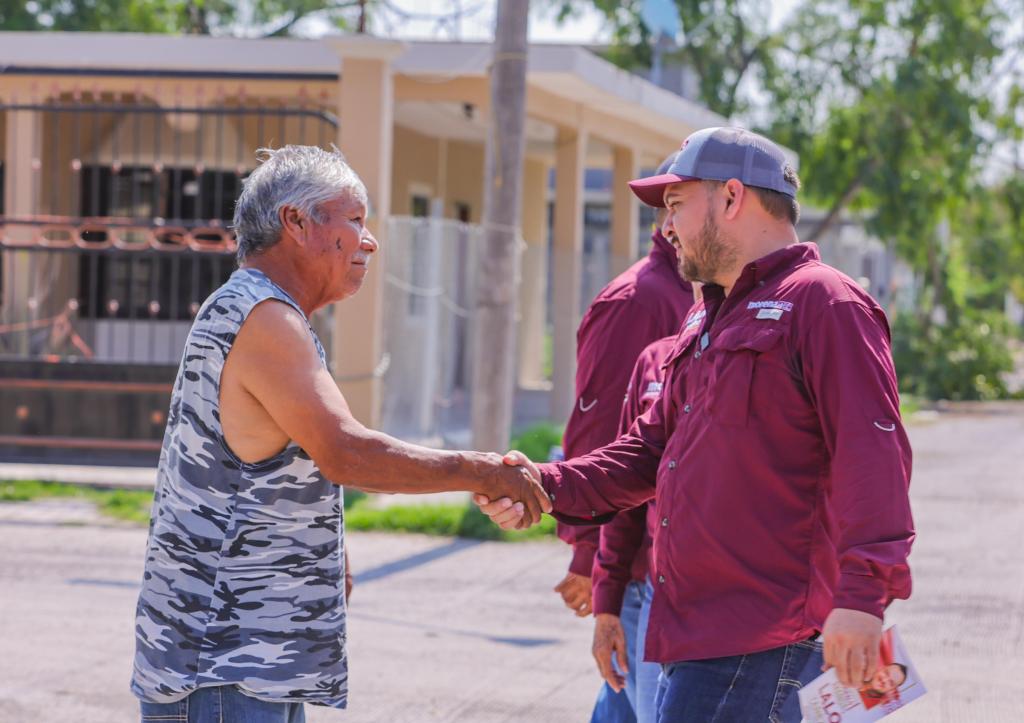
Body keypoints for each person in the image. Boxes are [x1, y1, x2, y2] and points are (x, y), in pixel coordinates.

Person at [479, 126, 915, 722]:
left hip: (764, 641)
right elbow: (647, 452)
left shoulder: (826, 303)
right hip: (693, 635)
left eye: (677, 204)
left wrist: (863, 597)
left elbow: (873, 457)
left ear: (732, 197)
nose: (667, 226)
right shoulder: (706, 317)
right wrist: (543, 484)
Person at [131, 145, 550, 723]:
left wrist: (329, 552)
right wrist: (478, 470)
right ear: (296, 222)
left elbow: (278, 460)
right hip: (226, 667)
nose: (369, 241)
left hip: (241, 664)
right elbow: (346, 453)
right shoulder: (264, 318)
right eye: (353, 219)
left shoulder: (260, 310)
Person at [555, 153, 694, 722]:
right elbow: (604, 438)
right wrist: (589, 556)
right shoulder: (638, 300)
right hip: (637, 567)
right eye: (673, 206)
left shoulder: (705, 296)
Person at [590, 333, 680, 723]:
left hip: (758, 603)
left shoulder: (788, 342)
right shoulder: (657, 358)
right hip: (653, 592)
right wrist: (607, 602)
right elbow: (626, 481)